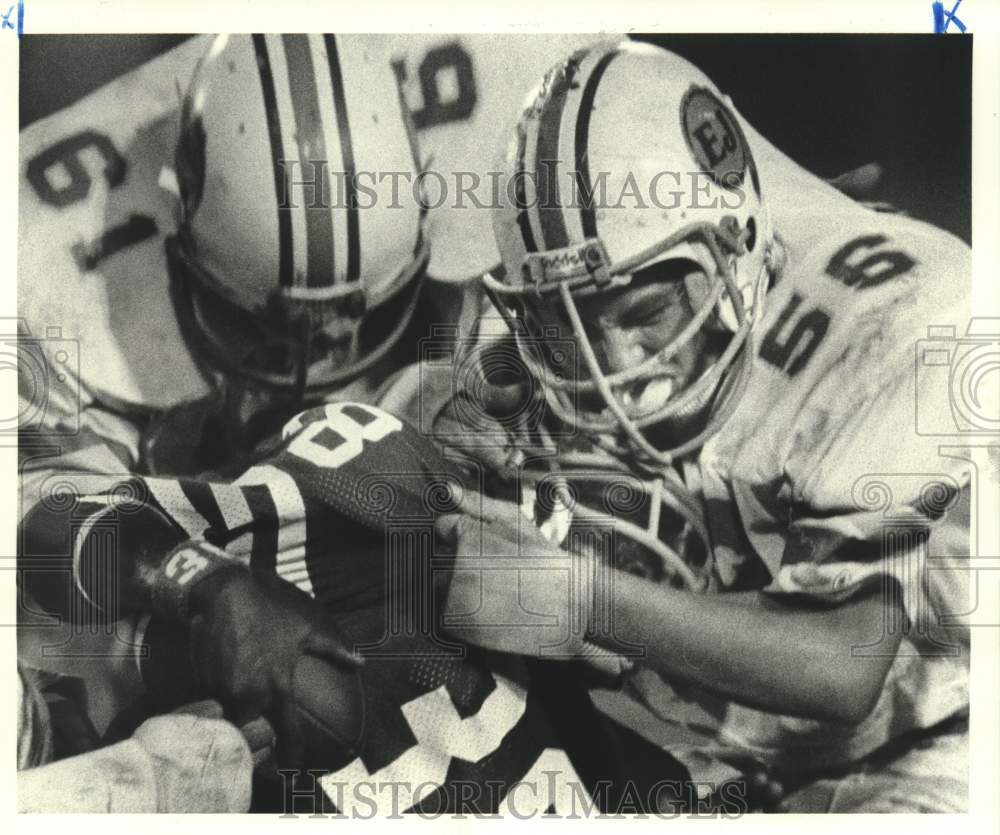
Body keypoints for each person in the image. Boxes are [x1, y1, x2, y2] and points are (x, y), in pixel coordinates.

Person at [17, 34, 697, 814]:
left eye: (359, 322)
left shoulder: (502, 371)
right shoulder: (303, 447)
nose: (325, 360)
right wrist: (197, 585)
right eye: (271, 337)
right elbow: (49, 531)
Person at [408, 41, 972, 813]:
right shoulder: (647, 230)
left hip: (948, 735)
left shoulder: (904, 322)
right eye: (575, 332)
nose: (618, 367)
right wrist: (458, 409)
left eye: (644, 316)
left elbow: (845, 661)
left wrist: (577, 597)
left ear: (736, 250)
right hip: (746, 747)